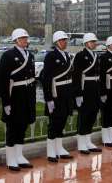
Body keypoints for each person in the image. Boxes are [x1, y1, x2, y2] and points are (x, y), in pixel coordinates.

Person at [0, 28, 36, 170]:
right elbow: (3, 80)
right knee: (13, 128)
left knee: (23, 126)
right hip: (15, 95)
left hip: (27, 95)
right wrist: (6, 102)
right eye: (23, 38)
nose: (26, 40)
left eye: (26, 38)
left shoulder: (29, 55)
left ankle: (19, 156)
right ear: (16, 40)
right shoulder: (8, 55)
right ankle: (11, 159)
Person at [41, 30, 74, 162]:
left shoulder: (66, 55)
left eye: (65, 40)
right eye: (62, 40)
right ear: (56, 42)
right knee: (54, 123)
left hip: (66, 93)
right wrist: (48, 98)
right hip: (56, 94)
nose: (64, 42)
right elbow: (46, 78)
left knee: (62, 122)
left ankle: (59, 148)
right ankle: (51, 151)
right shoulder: (51, 56)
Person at [73, 33, 103, 154]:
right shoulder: (80, 56)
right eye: (92, 42)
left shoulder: (95, 55)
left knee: (92, 114)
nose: (94, 44)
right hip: (85, 89)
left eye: (95, 42)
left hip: (95, 88)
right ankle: (81, 143)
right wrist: (78, 94)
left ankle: (88, 140)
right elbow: (76, 76)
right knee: (84, 115)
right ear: (86, 43)